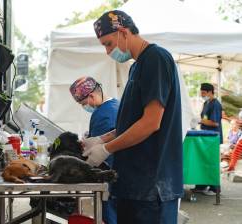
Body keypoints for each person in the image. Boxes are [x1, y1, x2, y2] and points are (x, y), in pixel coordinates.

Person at [82, 10, 183, 223]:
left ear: (123, 32)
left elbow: (151, 123)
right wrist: (101, 139)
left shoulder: (156, 58)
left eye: (108, 44)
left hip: (152, 185)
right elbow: (131, 123)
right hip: (133, 183)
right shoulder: (136, 67)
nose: (108, 52)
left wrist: (107, 149)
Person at [70, 76, 119, 224]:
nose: (84, 107)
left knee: (111, 216)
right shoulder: (115, 104)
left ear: (91, 95)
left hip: (110, 173)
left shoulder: (102, 114)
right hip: (120, 173)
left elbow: (97, 151)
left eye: (83, 103)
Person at [193, 83, 223, 195]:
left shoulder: (215, 104)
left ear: (210, 92)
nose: (202, 95)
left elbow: (215, 123)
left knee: (211, 162)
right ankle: (201, 185)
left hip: (213, 138)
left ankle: (214, 188)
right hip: (205, 137)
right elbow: (204, 118)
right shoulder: (206, 103)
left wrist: (199, 120)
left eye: (204, 93)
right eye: (201, 93)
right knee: (203, 161)